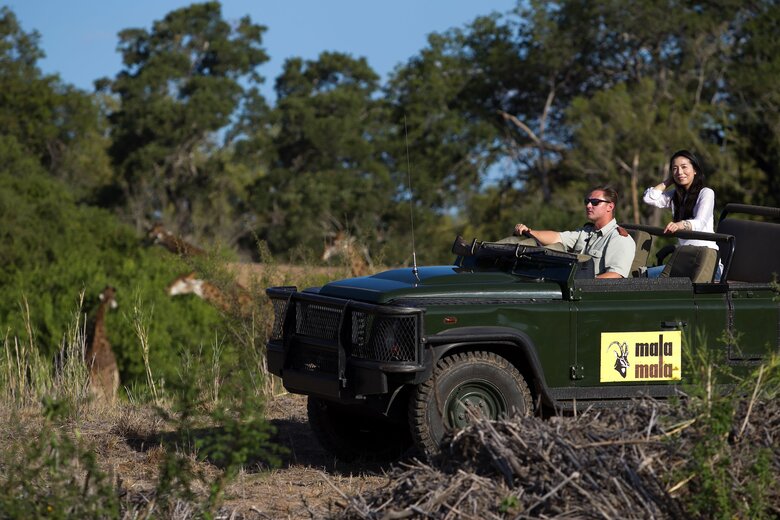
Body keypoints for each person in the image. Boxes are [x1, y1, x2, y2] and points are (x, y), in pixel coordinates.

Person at [513, 186, 635, 279]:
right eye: (587, 201)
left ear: (610, 207)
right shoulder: (585, 232)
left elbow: (615, 276)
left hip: (591, 297)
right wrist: (529, 231)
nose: (588, 205)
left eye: (595, 202)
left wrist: (581, 283)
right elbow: (557, 237)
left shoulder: (619, 238)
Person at [642, 149, 720, 279]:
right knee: (644, 276)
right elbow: (649, 198)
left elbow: (699, 223)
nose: (680, 172)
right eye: (675, 169)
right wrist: (669, 181)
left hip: (706, 262)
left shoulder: (706, 193)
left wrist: (680, 225)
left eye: (684, 167)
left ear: (695, 170)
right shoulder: (675, 196)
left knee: (650, 279)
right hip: (684, 259)